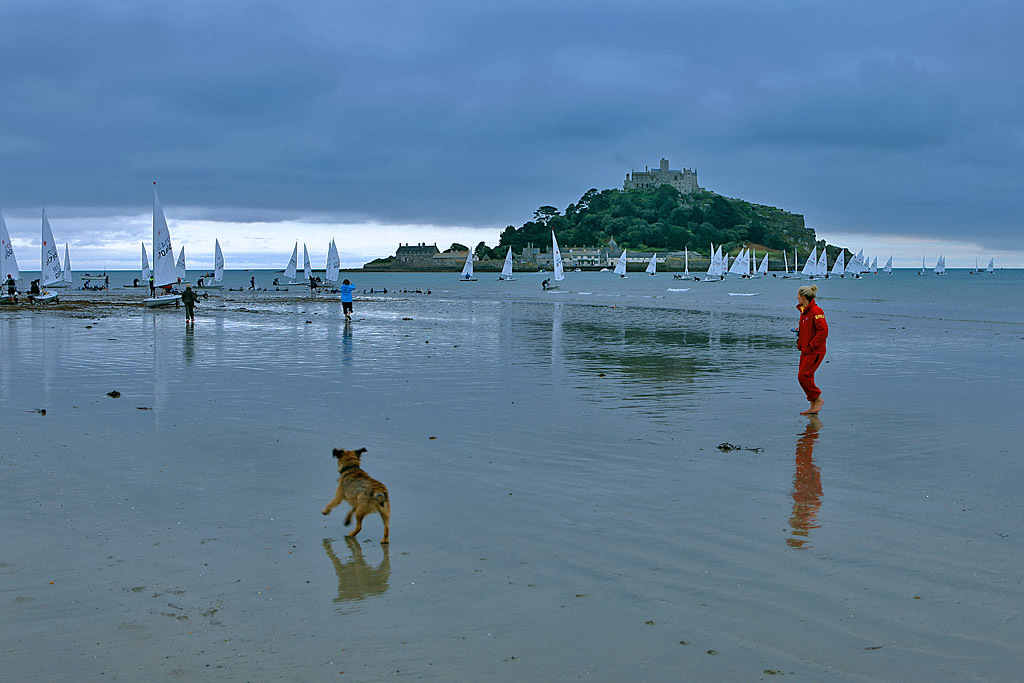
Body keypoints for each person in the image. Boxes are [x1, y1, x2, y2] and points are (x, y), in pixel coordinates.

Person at [796, 285, 828, 415]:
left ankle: (818, 398)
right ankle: (813, 406)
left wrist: (811, 345)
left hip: (815, 351)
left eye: (798, 296)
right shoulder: (804, 312)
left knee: (802, 376)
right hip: (806, 350)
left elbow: (823, 331)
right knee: (808, 377)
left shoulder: (816, 311)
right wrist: (800, 343)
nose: (796, 298)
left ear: (803, 297)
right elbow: (805, 331)